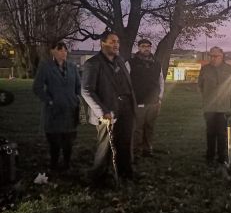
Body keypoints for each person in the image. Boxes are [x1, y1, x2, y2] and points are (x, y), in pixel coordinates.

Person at [81, 30, 136, 183]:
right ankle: (98, 177)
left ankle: (125, 173)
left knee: (125, 142)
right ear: (102, 43)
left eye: (117, 42)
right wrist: (102, 112)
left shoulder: (120, 61)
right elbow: (86, 90)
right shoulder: (93, 63)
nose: (116, 44)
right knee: (105, 146)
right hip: (107, 111)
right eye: (112, 41)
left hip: (126, 108)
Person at [33, 41, 81, 171]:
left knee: (68, 141)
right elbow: (37, 87)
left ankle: (66, 164)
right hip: (54, 110)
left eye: (65, 50)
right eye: (59, 50)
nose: (63, 53)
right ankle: (54, 165)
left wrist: (76, 98)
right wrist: (49, 100)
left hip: (70, 109)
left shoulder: (72, 67)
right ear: (53, 52)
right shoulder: (46, 67)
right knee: (54, 140)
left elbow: (78, 86)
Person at [126, 39, 164, 159]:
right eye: (143, 46)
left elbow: (161, 81)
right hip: (138, 101)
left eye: (148, 46)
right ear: (138, 48)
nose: (146, 48)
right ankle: (136, 151)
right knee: (137, 128)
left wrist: (160, 97)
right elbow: (126, 82)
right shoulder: (131, 63)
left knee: (149, 127)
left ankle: (147, 150)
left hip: (154, 102)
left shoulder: (157, 64)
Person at [198, 47, 231, 166]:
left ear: (222, 55)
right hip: (209, 107)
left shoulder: (230, 69)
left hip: (223, 107)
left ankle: (221, 157)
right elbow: (201, 85)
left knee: (221, 133)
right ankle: (210, 155)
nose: (213, 58)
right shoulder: (205, 69)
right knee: (210, 132)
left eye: (216, 56)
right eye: (211, 56)